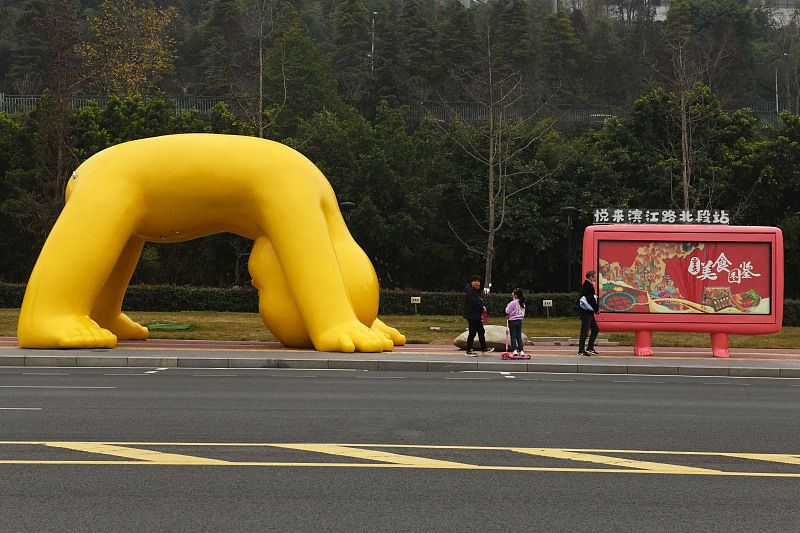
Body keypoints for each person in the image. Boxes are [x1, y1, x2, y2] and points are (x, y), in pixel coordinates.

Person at [463, 274, 494, 356]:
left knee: (481, 331)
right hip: (472, 315)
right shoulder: (470, 291)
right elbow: (474, 303)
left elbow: (478, 301)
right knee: (472, 332)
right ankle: (469, 350)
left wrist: (482, 307)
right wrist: (482, 308)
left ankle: (484, 348)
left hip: (476, 315)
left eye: (478, 281)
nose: (477, 283)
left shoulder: (475, 291)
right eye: (475, 281)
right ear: (471, 282)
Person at [578, 270, 600, 356]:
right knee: (585, 331)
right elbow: (591, 299)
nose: (595, 278)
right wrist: (596, 309)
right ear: (590, 277)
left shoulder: (588, 285)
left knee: (595, 329)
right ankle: (581, 350)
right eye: (594, 276)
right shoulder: (588, 286)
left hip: (589, 312)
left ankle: (590, 347)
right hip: (586, 313)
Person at [505, 288, 527, 356]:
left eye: (513, 293)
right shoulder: (522, 303)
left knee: (513, 336)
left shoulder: (513, 303)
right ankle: (521, 350)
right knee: (519, 336)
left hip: (512, 321)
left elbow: (507, 311)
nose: (512, 293)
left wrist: (507, 306)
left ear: (516, 295)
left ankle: (514, 350)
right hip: (519, 321)